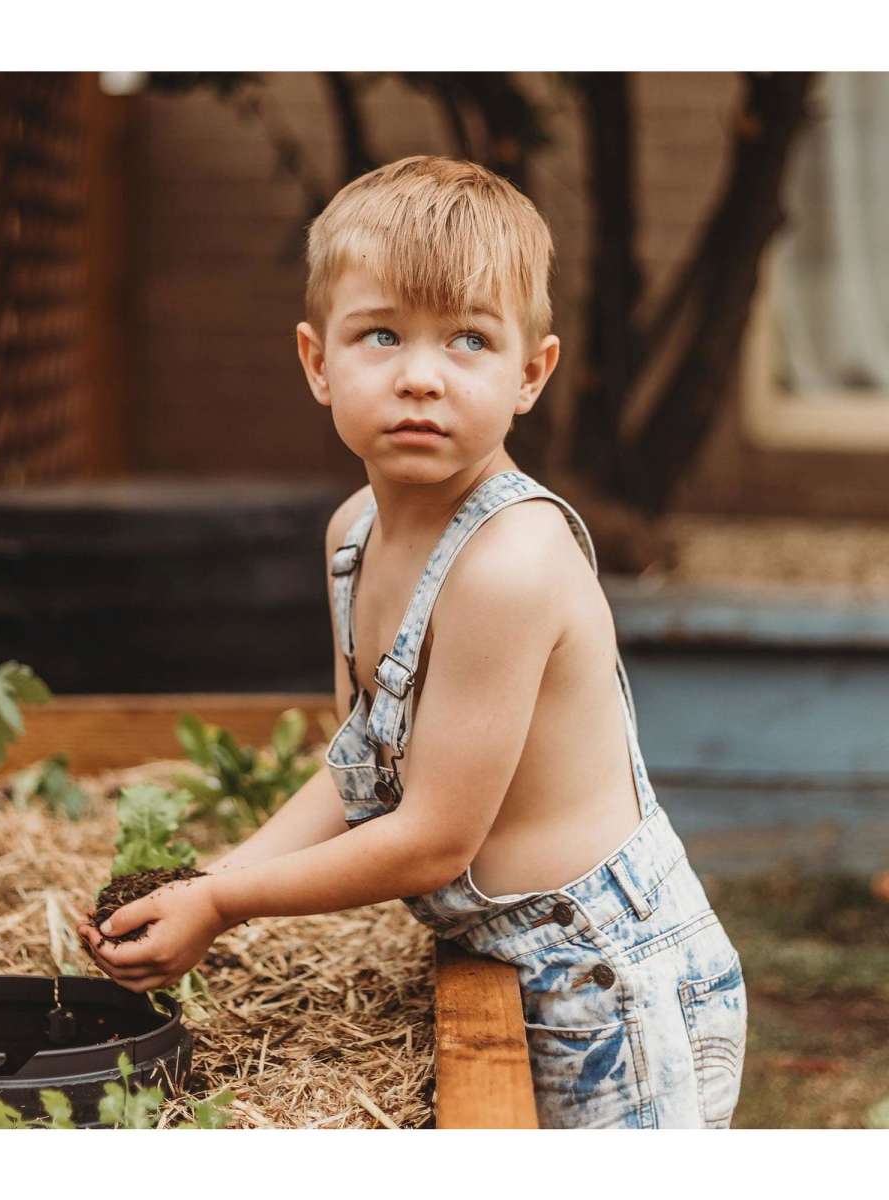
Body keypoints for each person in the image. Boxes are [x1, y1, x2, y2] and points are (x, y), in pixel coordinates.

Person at [79, 155, 747, 1129]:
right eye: (381, 334)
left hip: (614, 993)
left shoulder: (510, 562)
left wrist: (228, 908)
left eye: (469, 340)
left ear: (531, 373)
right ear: (318, 361)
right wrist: (206, 881)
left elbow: (433, 838)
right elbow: (361, 769)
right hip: (510, 965)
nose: (421, 377)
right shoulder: (355, 534)